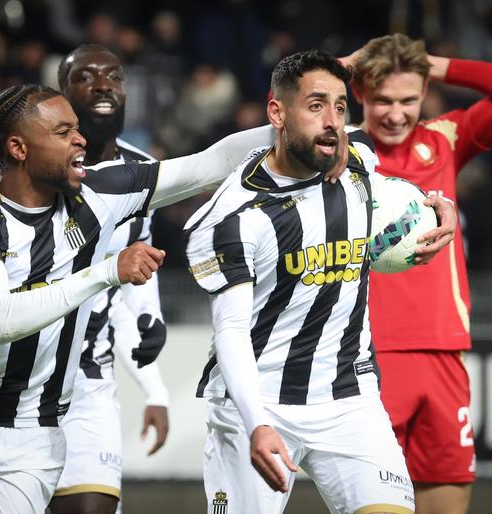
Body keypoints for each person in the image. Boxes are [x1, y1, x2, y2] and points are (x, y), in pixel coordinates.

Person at [0, 83, 280, 513]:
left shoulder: (100, 194)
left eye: (78, 129)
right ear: (18, 147)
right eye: (63, 132)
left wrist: (303, 123)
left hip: (30, 433)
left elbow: (209, 164)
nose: (81, 139)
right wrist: (106, 271)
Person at [185, 50, 455, 514]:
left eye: (340, 107)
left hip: (349, 397)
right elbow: (229, 330)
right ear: (277, 113)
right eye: (315, 106)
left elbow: (395, 196)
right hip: (258, 402)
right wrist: (255, 424)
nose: (333, 122)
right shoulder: (233, 217)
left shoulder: (358, 159)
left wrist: (438, 205)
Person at [346, 34, 492, 514]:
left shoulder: (445, 139)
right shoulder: (335, 150)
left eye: (409, 99)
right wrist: (336, 67)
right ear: (360, 95)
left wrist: (434, 64)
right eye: (383, 100)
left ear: (425, 94)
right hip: (367, 354)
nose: (395, 114)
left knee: (447, 500)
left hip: (442, 349)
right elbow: (279, 111)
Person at [49, 44, 170, 514]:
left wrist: (154, 387)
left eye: (114, 76)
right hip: (19, 378)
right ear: (63, 90)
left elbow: (138, 275)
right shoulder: (32, 167)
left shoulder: (145, 172)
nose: (103, 85)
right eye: (86, 76)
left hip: (89, 383)